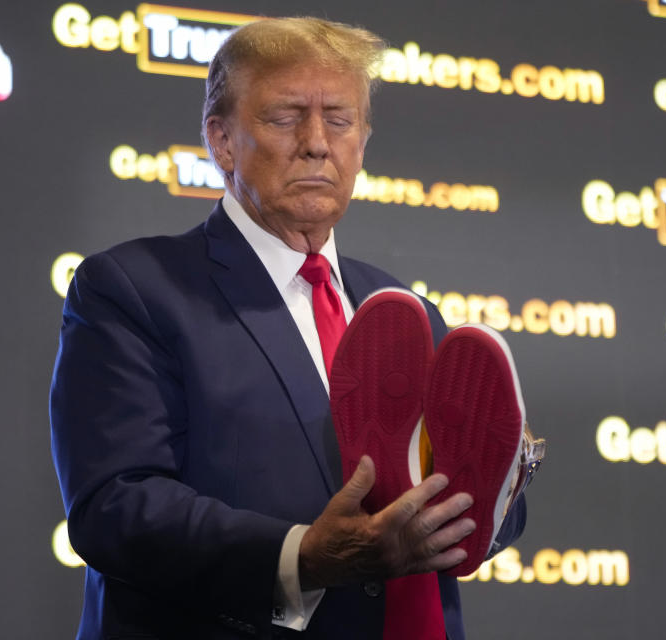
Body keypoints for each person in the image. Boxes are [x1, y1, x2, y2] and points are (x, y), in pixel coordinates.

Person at [50, 16, 525, 640]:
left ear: (362, 143)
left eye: (340, 119)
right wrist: (303, 557)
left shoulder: (405, 307)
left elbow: (485, 522)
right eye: (284, 117)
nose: (316, 143)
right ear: (221, 141)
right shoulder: (133, 289)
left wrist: (500, 476)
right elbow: (115, 508)